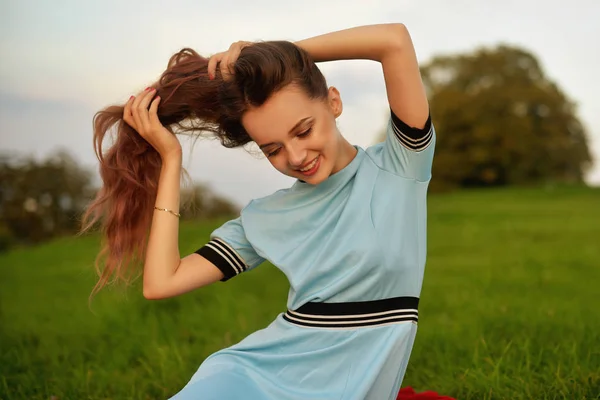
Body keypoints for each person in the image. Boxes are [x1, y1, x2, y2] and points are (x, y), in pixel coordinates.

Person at [82, 23, 435, 400]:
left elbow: (393, 41)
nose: (296, 157)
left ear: (333, 102)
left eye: (303, 130)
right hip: (252, 379)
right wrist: (170, 159)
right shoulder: (267, 216)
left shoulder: (400, 165)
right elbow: (160, 283)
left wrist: (282, 56)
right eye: (273, 150)